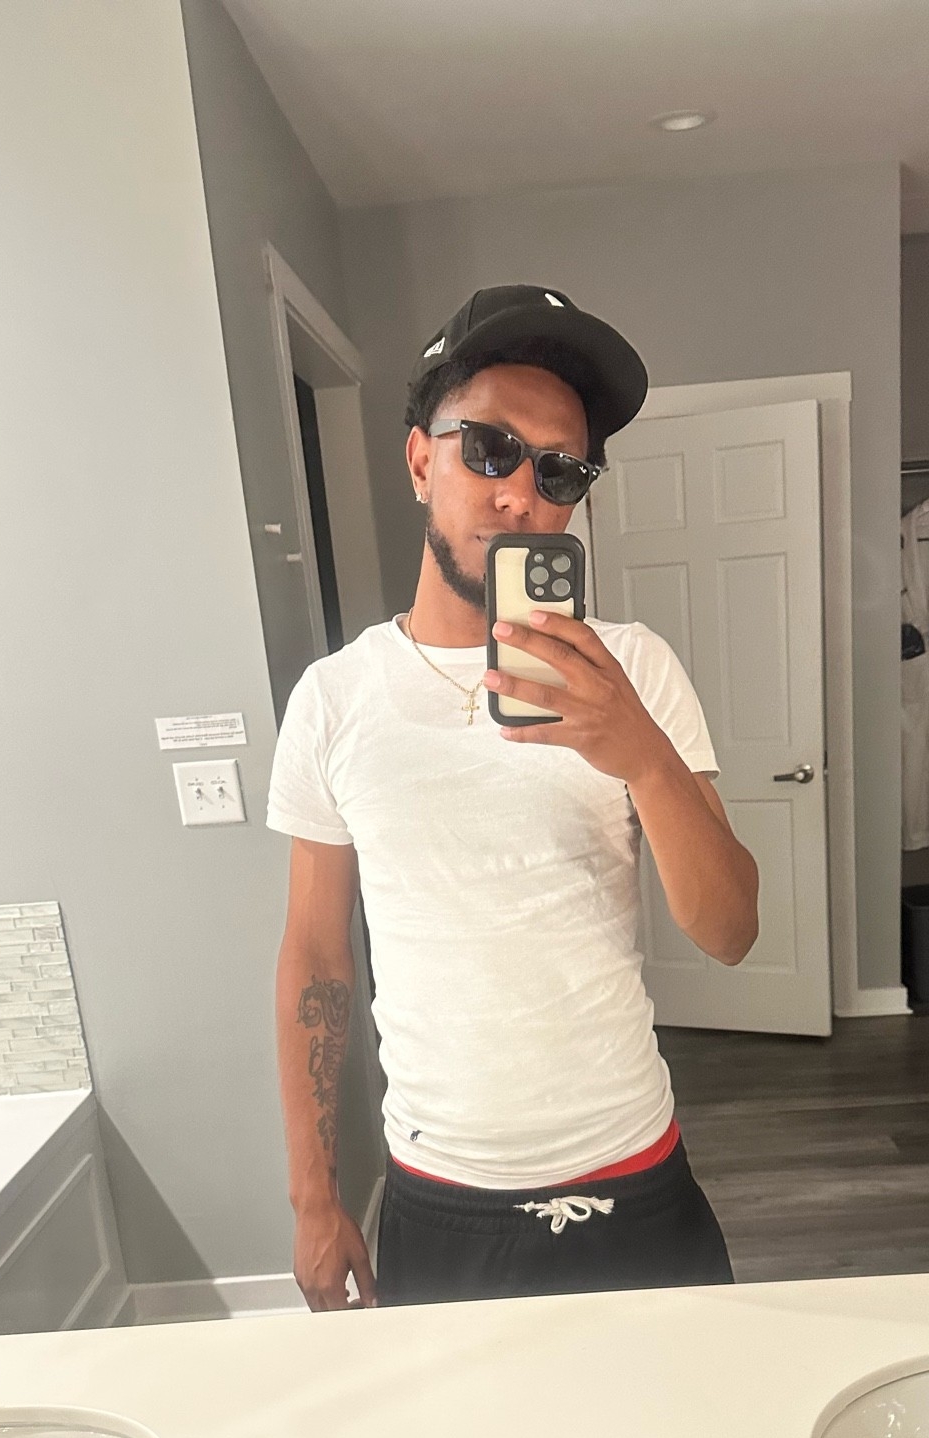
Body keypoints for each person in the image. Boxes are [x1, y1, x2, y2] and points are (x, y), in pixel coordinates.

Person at [267, 284, 759, 1310]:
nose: (520, 495)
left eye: (559, 470)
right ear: (420, 460)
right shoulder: (335, 699)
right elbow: (316, 957)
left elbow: (730, 932)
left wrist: (641, 755)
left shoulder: (634, 670)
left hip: (634, 1178)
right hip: (440, 1197)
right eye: (489, 449)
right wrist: (314, 1197)